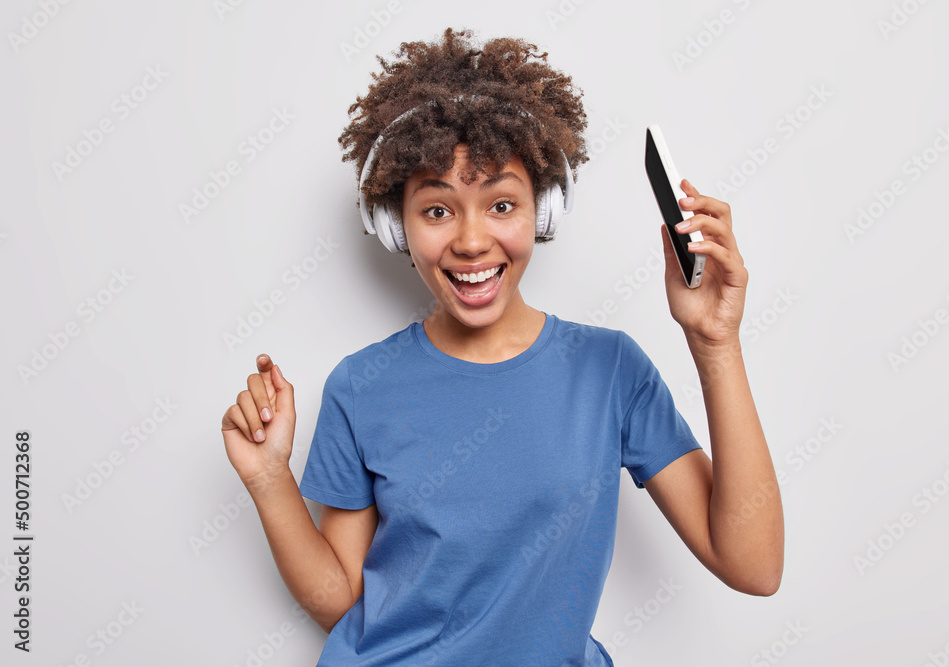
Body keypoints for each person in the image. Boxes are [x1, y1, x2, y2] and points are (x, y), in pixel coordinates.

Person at [221, 27, 783, 666]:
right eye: (437, 210)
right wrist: (270, 479)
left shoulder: (610, 370)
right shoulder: (360, 386)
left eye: (501, 204)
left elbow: (754, 566)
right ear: (393, 223)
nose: (469, 240)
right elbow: (341, 600)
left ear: (541, 212)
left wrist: (716, 344)